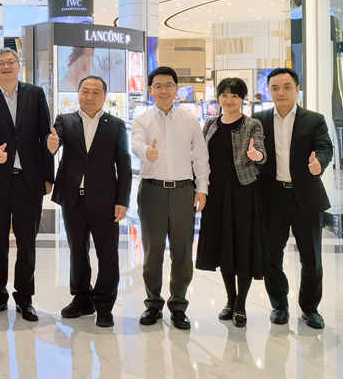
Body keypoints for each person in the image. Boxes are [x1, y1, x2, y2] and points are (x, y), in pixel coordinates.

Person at [0, 47, 54, 322]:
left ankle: (25, 298)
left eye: (10, 62)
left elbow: (46, 135)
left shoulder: (35, 94)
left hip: (28, 180)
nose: (6, 66)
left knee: (27, 242)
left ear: (18, 66)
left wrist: (48, 175)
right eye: (0, 63)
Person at [253, 67, 334, 329]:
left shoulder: (314, 120)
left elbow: (325, 147)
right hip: (272, 197)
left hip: (306, 197)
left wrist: (319, 163)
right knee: (270, 256)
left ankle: (310, 308)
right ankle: (279, 305)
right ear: (269, 91)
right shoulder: (259, 120)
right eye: (275, 88)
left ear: (297, 89)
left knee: (311, 258)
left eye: (287, 87)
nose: (281, 92)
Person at [48, 75, 132, 328]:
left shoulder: (116, 125)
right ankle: (82, 298)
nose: (90, 96)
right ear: (78, 94)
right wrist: (51, 146)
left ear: (104, 96)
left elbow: (124, 165)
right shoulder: (65, 121)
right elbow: (54, 145)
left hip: (105, 200)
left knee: (108, 254)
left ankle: (104, 305)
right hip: (73, 198)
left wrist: (122, 200)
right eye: (85, 91)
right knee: (77, 251)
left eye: (96, 92)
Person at [131, 65, 209, 330]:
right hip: (151, 191)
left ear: (177, 89)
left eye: (168, 85)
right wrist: (147, 152)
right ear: (150, 90)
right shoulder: (142, 119)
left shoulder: (190, 120)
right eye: (158, 86)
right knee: (152, 252)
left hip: (183, 192)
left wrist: (202, 188)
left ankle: (178, 305)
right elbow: (135, 143)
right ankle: (153, 304)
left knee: (183, 252)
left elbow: (201, 157)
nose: (163, 90)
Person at [196, 77, 267, 328]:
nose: (229, 100)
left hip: (242, 193)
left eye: (235, 95)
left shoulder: (252, 124)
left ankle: (241, 305)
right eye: (225, 95)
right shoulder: (210, 124)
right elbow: (200, 157)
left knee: (242, 249)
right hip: (216, 196)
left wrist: (256, 154)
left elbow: (261, 152)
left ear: (242, 99)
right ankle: (230, 300)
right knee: (224, 248)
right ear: (218, 97)